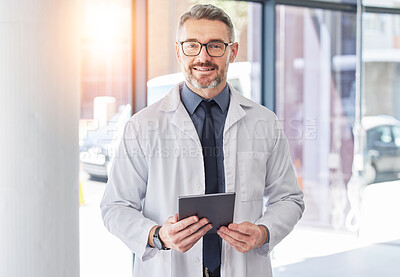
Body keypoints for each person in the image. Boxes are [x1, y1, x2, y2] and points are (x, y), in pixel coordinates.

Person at [101, 4, 304, 277]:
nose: (203, 56)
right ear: (178, 51)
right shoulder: (142, 126)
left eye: (215, 46)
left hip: (243, 267)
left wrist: (263, 232)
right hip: (170, 266)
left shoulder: (264, 122)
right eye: (192, 45)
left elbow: (289, 198)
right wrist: (158, 235)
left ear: (233, 51)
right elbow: (115, 207)